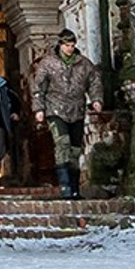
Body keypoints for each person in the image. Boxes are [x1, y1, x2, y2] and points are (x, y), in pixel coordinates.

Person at [34, 30, 101, 198]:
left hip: (77, 110)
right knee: (62, 143)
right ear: (60, 45)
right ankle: (65, 187)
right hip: (55, 109)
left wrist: (96, 99)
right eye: (67, 45)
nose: (70, 49)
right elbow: (38, 87)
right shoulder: (48, 63)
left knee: (75, 150)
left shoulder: (84, 64)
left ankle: (74, 187)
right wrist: (39, 109)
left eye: (72, 45)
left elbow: (94, 82)